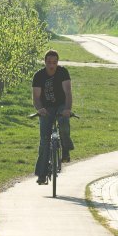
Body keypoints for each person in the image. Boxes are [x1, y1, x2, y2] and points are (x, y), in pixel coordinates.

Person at [32, 49, 74, 185]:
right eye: (49, 62)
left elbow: (68, 92)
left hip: (61, 105)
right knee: (44, 140)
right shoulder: (38, 76)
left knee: (64, 124)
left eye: (54, 62)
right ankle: (42, 174)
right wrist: (40, 109)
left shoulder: (63, 72)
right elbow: (36, 97)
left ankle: (65, 150)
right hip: (46, 108)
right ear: (45, 62)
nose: (52, 65)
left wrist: (67, 109)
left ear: (57, 62)